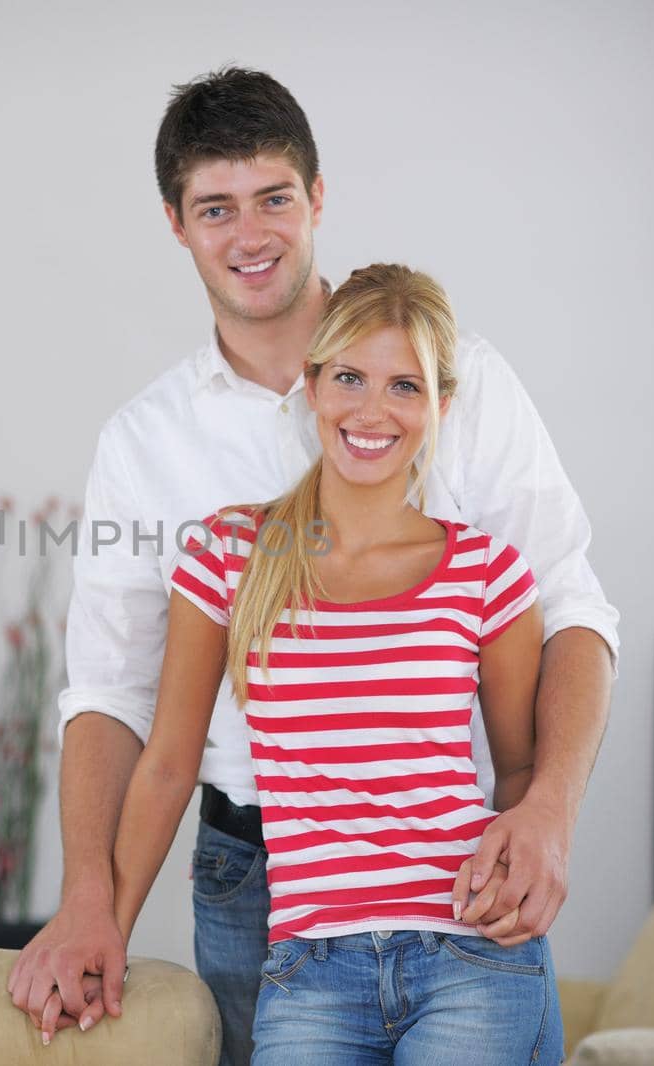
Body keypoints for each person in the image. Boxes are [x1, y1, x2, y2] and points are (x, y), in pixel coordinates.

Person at [6, 68, 616, 1065]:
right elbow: (114, 697)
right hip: (257, 875)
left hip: (450, 877)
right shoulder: (146, 446)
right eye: (215, 208)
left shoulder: (462, 383)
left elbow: (569, 606)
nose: (251, 234)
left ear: (317, 196)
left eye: (274, 198)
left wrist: (544, 812)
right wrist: (90, 900)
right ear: (176, 223)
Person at [110, 263, 564, 1064]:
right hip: (309, 973)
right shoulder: (230, 554)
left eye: (405, 386)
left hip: (471, 959)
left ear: (439, 409)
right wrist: (102, 924)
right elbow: (167, 765)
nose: (371, 410)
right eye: (350, 377)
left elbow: (521, 777)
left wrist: (525, 885)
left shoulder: (489, 574)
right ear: (311, 388)